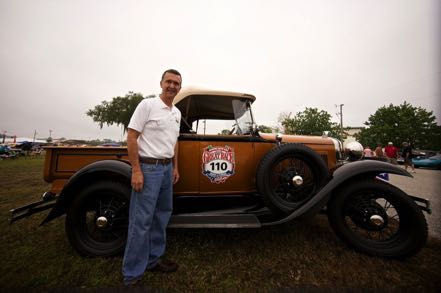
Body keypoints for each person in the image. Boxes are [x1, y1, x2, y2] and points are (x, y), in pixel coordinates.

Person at [122, 69, 182, 286]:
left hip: (166, 170)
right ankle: (132, 275)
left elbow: (174, 142)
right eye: (169, 81)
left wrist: (175, 167)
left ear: (179, 87)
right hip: (148, 168)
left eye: (176, 83)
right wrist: (136, 170)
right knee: (141, 220)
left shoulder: (177, 113)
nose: (172, 86)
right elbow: (131, 135)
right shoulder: (147, 105)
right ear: (161, 83)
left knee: (161, 216)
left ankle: (153, 260)